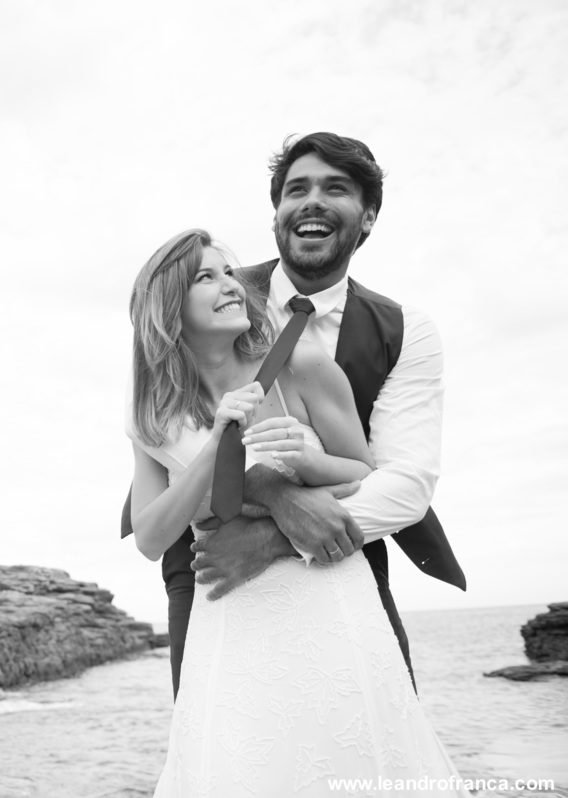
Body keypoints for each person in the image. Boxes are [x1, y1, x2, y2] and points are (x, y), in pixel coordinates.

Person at [126, 227, 469, 796]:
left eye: (228, 272)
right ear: (168, 309)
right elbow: (149, 537)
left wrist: (304, 462)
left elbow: (365, 474)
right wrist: (215, 446)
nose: (231, 285)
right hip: (229, 618)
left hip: (326, 596)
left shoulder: (302, 364)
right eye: (206, 277)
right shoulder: (151, 416)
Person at [121, 133, 465, 698]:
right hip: (206, 565)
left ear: (368, 216)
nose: (313, 202)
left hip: (339, 543)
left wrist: (275, 527)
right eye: (297, 189)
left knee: (373, 712)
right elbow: (162, 425)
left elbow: (403, 480)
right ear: (276, 211)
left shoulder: (408, 331)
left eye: (337, 189)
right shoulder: (218, 293)